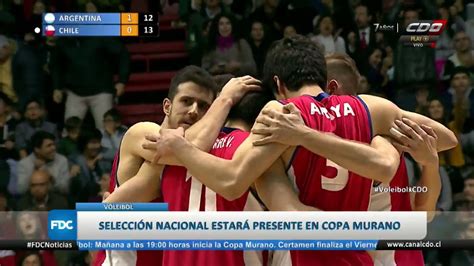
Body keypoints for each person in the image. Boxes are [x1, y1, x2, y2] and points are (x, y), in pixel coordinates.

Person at [144, 35, 457, 266]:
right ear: (324, 78)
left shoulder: (279, 116)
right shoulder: (372, 109)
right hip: (361, 256)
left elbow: (232, 181)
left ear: (278, 85)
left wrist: (181, 148)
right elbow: (446, 139)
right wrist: (402, 147)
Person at [93, 66, 260, 266]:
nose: (193, 111)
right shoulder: (142, 132)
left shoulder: (191, 160)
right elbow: (188, 147)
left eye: (203, 106)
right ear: (167, 106)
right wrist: (225, 99)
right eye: (187, 101)